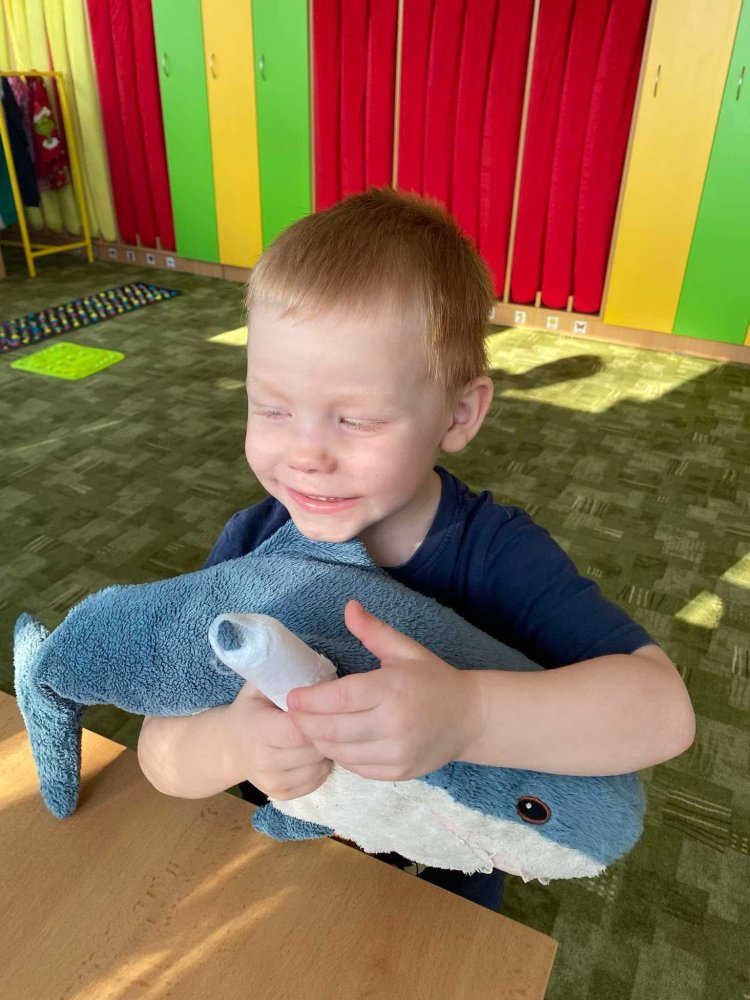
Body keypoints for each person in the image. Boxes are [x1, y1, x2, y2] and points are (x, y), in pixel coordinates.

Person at [137, 187, 696, 912]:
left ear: (458, 414)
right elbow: (159, 750)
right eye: (270, 408)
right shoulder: (252, 544)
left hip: (437, 904)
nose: (305, 455)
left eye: (357, 420)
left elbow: (663, 712)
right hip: (274, 893)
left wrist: (467, 716)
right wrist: (230, 745)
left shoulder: (495, 554)